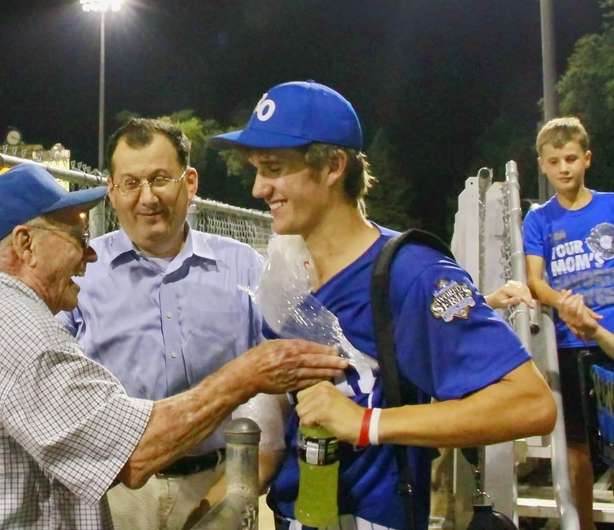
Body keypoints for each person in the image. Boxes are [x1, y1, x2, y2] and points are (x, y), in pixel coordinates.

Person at [0, 163, 347, 529]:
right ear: (25, 244)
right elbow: (136, 453)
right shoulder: (17, 325)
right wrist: (247, 374)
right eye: (76, 237)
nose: (90, 253)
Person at [208, 80, 556, 529]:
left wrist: (368, 424)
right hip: (293, 514)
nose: (259, 188)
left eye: (274, 168)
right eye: (257, 170)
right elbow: (282, 416)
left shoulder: (412, 272)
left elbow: (531, 403)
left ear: (333, 166)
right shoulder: (285, 273)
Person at [57, 118, 281, 530]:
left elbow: (277, 380)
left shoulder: (245, 267)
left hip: (218, 480)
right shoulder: (80, 273)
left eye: (160, 179)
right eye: (130, 183)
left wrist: (245, 479)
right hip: (116, 490)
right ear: (111, 190)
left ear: (189, 182)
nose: (147, 198)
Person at [523, 116, 614, 529]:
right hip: (571, 345)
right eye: (554, 160)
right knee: (577, 447)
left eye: (571, 158)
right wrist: (565, 304)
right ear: (542, 165)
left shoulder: (609, 206)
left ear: (587, 159)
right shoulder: (539, 219)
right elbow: (535, 281)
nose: (564, 168)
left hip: (611, 340)